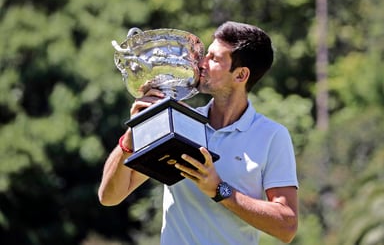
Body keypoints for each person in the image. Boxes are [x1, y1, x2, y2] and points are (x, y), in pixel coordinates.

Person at [98, 21, 299, 244]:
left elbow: (287, 226)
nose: (201, 63)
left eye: (214, 59)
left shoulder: (272, 136)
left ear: (241, 75)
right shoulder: (177, 120)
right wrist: (131, 137)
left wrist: (219, 190)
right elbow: (109, 197)